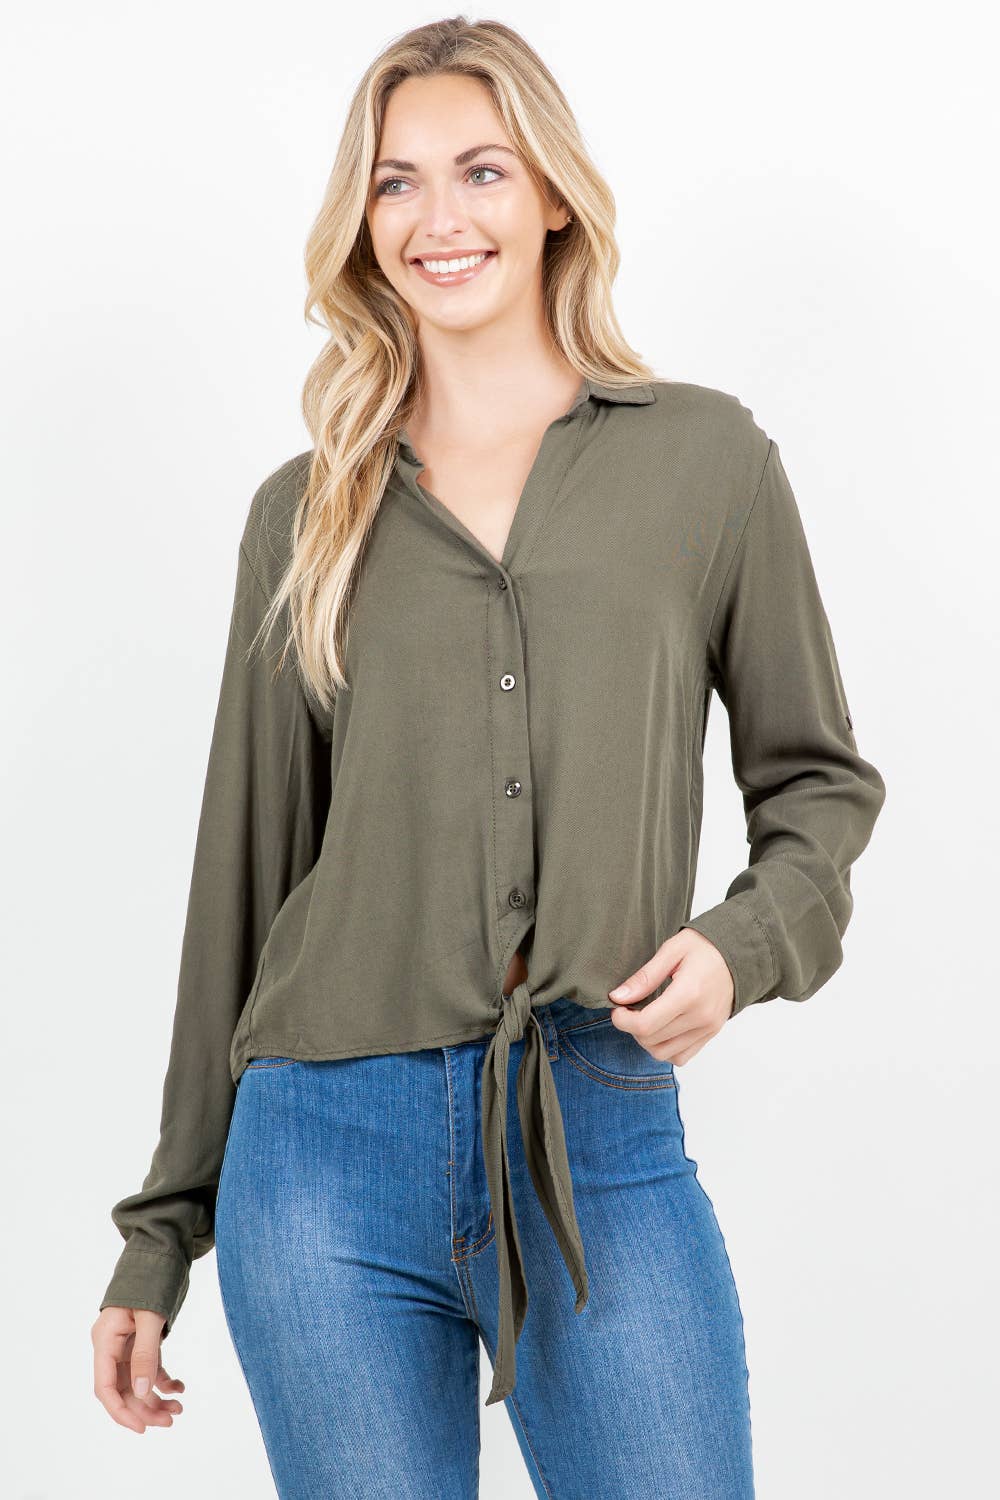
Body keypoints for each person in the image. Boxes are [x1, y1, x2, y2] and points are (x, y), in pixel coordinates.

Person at [91, 17, 886, 1498]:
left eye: (481, 171)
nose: (436, 218)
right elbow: (242, 880)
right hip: (320, 1161)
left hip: (599, 1131)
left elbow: (819, 783)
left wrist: (742, 949)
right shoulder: (304, 512)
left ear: (554, 195)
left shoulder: (706, 462)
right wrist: (160, 1234)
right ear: (361, 218)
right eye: (394, 182)